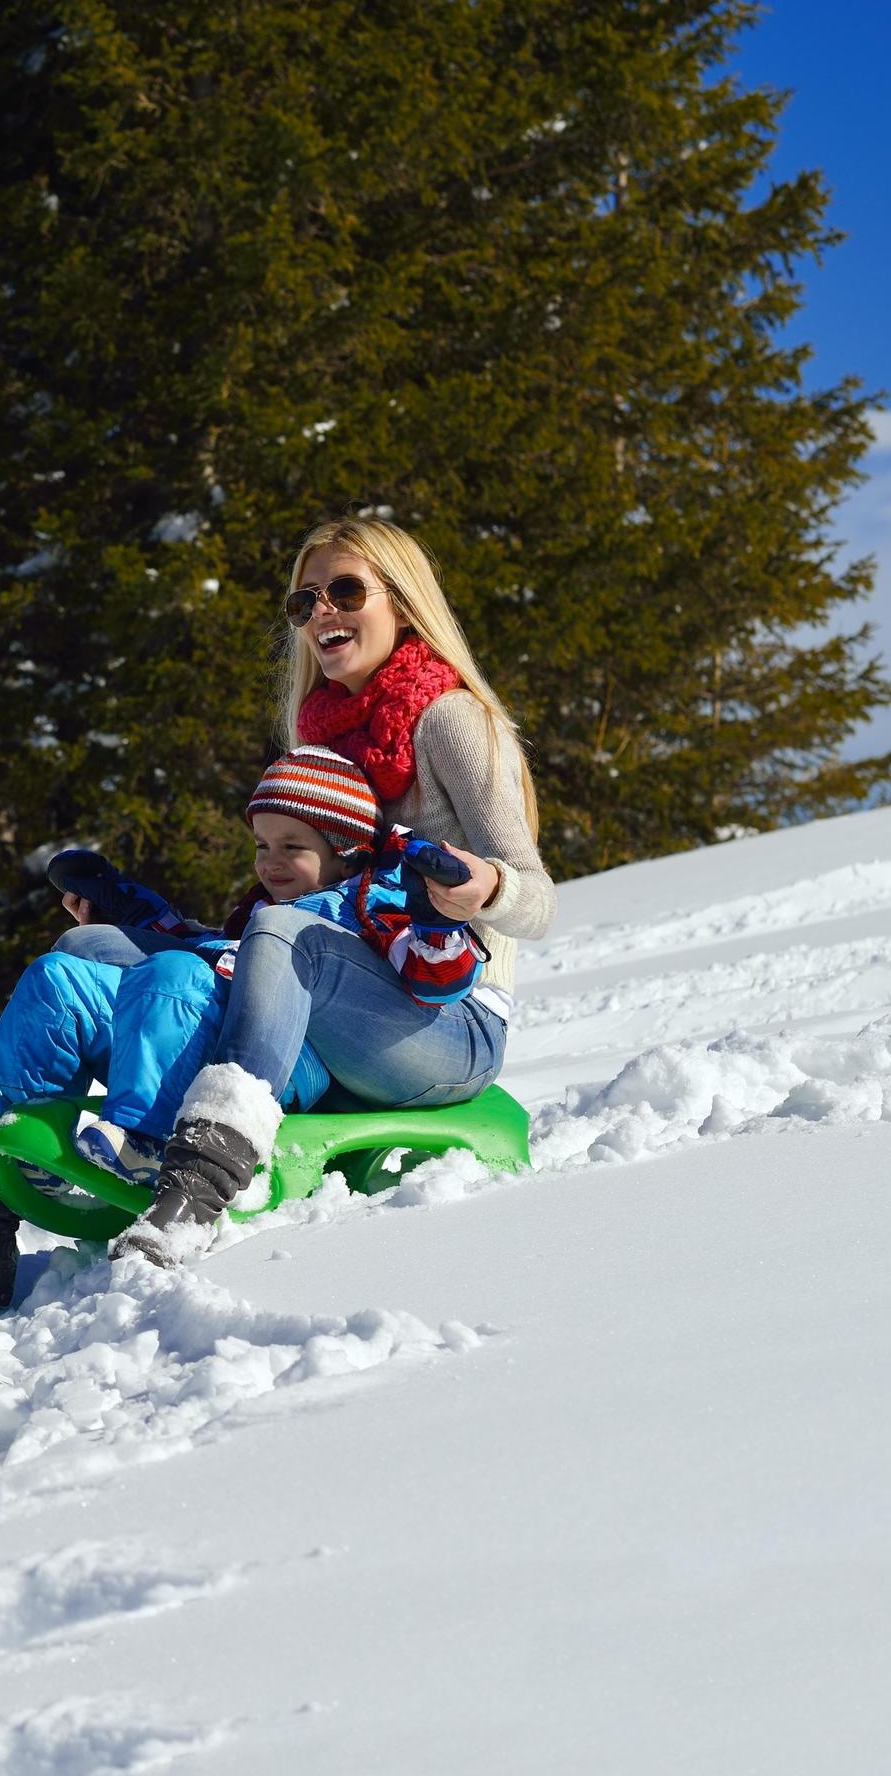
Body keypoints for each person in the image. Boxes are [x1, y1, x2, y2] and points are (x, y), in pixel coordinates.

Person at [0, 747, 481, 1306]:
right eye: (261, 845)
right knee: (60, 976)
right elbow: (198, 947)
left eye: (293, 848)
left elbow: (437, 978)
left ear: (343, 854)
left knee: (170, 972)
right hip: (190, 1025)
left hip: (285, 1058)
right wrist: (120, 904)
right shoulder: (262, 907)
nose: (270, 862)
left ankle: (144, 1146)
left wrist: (433, 918)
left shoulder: (366, 904)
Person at [114, 517, 553, 1267]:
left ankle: (199, 1186)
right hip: (342, 997)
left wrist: (483, 888)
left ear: (404, 604)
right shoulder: (316, 730)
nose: (322, 612)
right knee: (104, 949)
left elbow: (538, 901)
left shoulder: (449, 721)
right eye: (304, 600)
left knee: (283, 932)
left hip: (445, 1020)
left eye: (345, 590)